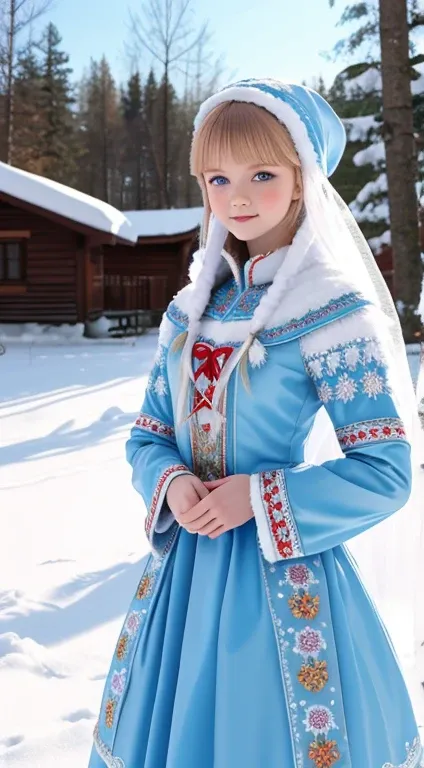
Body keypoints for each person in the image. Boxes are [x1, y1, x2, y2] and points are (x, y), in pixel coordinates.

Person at [88, 79, 423, 768]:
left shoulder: (326, 309)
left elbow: (386, 472)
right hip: (182, 580)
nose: (236, 197)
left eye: (261, 175)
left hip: (282, 580)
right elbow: (148, 433)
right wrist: (172, 480)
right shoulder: (190, 310)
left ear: (302, 180)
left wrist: (261, 497)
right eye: (218, 177)